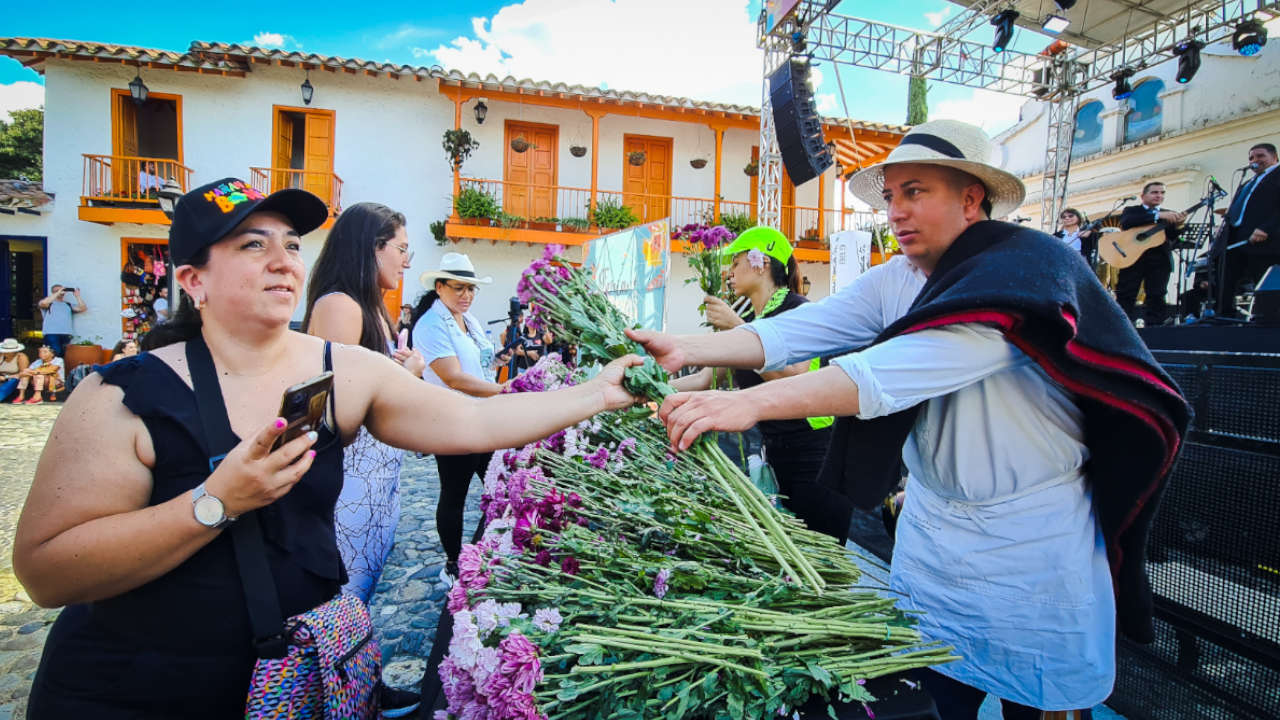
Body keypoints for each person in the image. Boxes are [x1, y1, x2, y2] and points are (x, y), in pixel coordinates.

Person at [14, 177, 639, 719]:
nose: (284, 261)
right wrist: (215, 502)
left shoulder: (345, 369)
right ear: (192, 280)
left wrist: (597, 394)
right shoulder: (119, 394)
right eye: (252, 245)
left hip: (295, 686)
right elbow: (45, 571)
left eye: (290, 244)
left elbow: (474, 423)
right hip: (136, 691)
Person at [626, 120, 1189, 718]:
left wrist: (745, 403)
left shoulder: (1022, 278)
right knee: (939, 689)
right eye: (891, 196)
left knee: (1039, 700)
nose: (895, 211)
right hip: (935, 530)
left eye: (914, 191)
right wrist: (688, 347)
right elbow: (802, 329)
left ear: (972, 198)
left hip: (1032, 541)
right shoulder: (900, 276)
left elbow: (885, 375)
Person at [671, 226, 841, 539]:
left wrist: (737, 327)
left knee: (820, 556)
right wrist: (650, 388)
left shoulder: (800, 310)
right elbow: (704, 378)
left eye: (736, 264)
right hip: (776, 454)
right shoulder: (750, 319)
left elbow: (796, 380)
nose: (729, 274)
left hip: (816, 456)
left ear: (759, 263)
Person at [409, 252, 504, 584]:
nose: (466, 295)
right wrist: (504, 392)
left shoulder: (471, 321)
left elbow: (479, 365)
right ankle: (452, 563)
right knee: (455, 493)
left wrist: (500, 367)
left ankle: (497, 548)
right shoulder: (431, 324)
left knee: (498, 484)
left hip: (482, 415)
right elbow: (453, 377)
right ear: (440, 287)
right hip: (451, 419)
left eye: (471, 289)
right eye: (459, 288)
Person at [1210, 142, 1280, 315]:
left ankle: (1266, 318)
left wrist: (1267, 228)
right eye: (1251, 157)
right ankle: (1223, 316)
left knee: (1263, 279)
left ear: (1275, 157)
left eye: (1260, 156)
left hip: (1264, 239)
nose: (1255, 160)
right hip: (1236, 237)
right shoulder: (1248, 182)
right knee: (1225, 277)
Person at [1116, 182, 1185, 326]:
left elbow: (1172, 237)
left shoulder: (1169, 214)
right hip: (1133, 258)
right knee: (1126, 293)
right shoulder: (1132, 210)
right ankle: (1121, 326)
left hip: (1159, 259)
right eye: (1154, 192)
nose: (1159, 195)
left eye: (1162, 193)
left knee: (1157, 294)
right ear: (1143, 196)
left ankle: (1155, 326)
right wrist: (1157, 215)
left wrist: (1179, 225)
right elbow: (1127, 222)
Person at [38, 284, 86, 356]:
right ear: (53, 292)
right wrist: (58, 293)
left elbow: (83, 308)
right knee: (54, 354)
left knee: (63, 355)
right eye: (57, 290)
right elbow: (43, 303)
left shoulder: (67, 304)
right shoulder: (49, 303)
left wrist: (77, 296)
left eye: (62, 290)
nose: (61, 292)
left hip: (66, 334)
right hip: (51, 333)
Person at [0, 337, 30, 402]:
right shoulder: (1, 356)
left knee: (10, 383)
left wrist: (6, 377)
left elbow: (24, 373)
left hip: (14, 379)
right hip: (1, 378)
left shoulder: (21, 357)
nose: (5, 353)